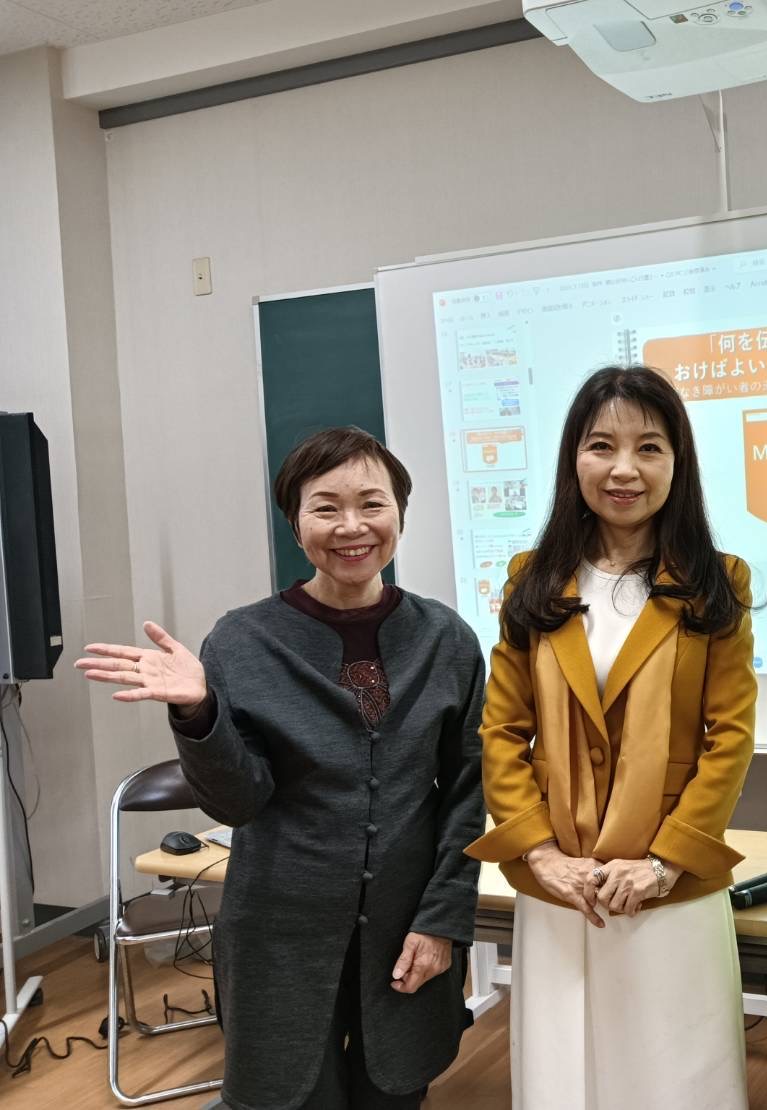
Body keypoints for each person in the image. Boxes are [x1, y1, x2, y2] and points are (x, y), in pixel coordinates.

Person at [77, 427, 486, 1110]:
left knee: (395, 1091)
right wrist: (199, 711)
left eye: (372, 504)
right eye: (326, 507)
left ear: (400, 514)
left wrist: (443, 920)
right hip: (278, 928)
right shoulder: (244, 640)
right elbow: (236, 802)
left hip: (408, 925)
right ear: (296, 524)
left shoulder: (447, 639)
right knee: (287, 1096)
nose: (351, 526)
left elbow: (468, 793)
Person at [467, 365, 756, 1110]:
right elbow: (502, 728)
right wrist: (541, 856)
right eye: (602, 446)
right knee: (564, 1078)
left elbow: (730, 736)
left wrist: (664, 864)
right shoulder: (534, 580)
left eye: (649, 448)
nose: (624, 468)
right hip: (561, 886)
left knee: (674, 1079)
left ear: (677, 463)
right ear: (574, 459)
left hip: (669, 886)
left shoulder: (717, 581)